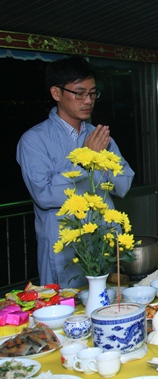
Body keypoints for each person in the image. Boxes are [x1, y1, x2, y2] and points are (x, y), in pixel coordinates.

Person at [16, 57, 134, 288]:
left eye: (92, 93)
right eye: (79, 93)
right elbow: (43, 195)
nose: (88, 101)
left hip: (102, 242)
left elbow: (123, 187)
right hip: (64, 247)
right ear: (56, 93)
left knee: (106, 303)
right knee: (67, 307)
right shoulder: (34, 140)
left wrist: (105, 162)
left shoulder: (99, 136)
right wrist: (85, 158)